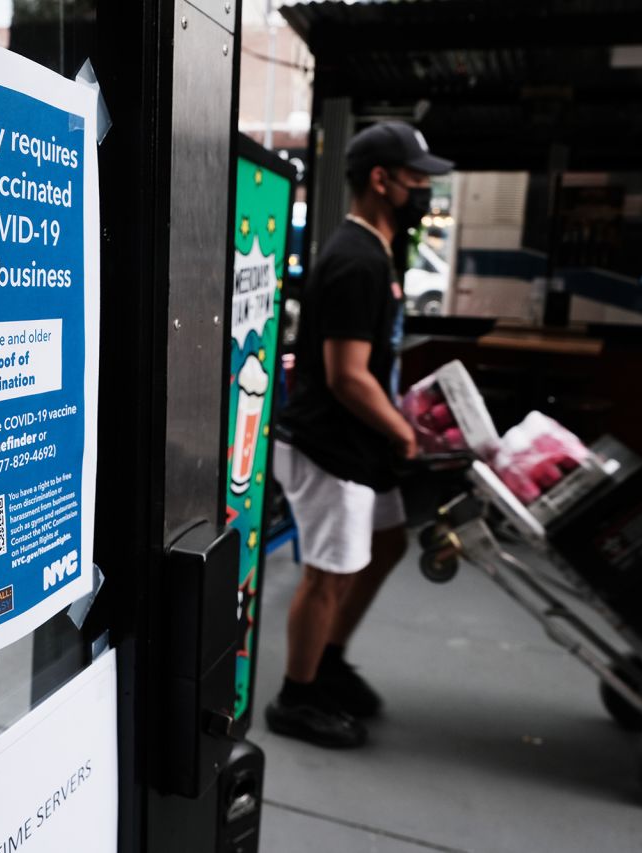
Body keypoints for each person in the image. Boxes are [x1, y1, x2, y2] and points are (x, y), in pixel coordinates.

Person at [266, 122, 452, 748]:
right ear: (382, 180)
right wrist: (405, 431)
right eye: (418, 179)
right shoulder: (354, 260)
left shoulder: (378, 252)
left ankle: (330, 659)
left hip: (358, 440)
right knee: (329, 573)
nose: (425, 191)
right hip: (330, 446)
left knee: (391, 540)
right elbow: (348, 377)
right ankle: (296, 696)